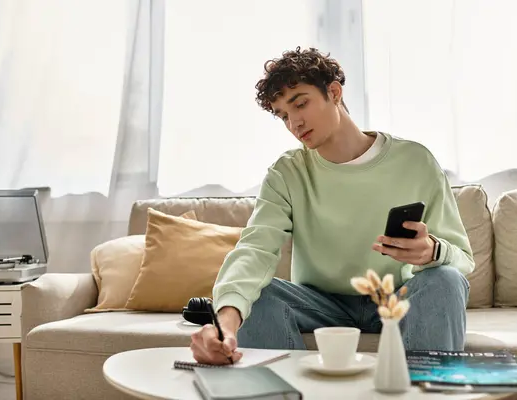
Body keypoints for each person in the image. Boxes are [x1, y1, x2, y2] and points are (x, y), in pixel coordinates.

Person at [190, 47, 474, 365]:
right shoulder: (287, 172)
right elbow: (254, 250)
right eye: (283, 115)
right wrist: (224, 323)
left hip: (398, 296)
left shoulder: (415, 161)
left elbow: (462, 261)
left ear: (334, 92)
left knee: (444, 280)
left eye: (301, 104)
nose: (294, 123)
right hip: (318, 304)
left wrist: (432, 252)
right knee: (259, 294)